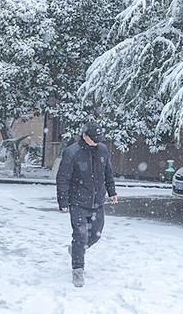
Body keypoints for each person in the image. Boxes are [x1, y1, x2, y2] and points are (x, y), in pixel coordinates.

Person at [56, 121, 118, 288]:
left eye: (99, 138)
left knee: (96, 235)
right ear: (84, 136)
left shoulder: (102, 150)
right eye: (94, 138)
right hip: (78, 202)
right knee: (80, 234)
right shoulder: (72, 152)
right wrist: (63, 201)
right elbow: (63, 178)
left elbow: (108, 172)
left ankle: (76, 250)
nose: (97, 141)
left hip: (97, 202)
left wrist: (112, 192)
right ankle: (78, 269)